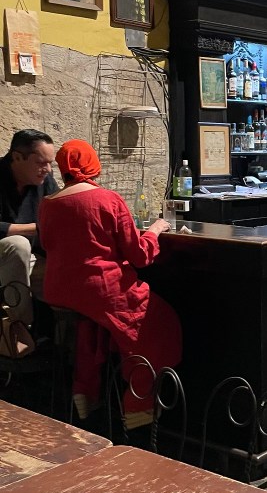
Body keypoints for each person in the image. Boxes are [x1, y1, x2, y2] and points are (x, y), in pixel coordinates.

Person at [38, 140, 181, 424]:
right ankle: (139, 404)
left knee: (94, 325)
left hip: (60, 292)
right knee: (159, 322)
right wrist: (155, 229)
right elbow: (139, 255)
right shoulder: (107, 199)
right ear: (94, 165)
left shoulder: (48, 204)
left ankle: (85, 390)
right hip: (100, 289)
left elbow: (47, 244)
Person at [0, 129, 57, 326]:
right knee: (18, 244)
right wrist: (36, 228)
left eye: (50, 163)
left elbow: (57, 213)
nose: (47, 169)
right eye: (41, 163)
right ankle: (20, 328)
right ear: (17, 157)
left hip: (34, 254)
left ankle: (63, 334)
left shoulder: (44, 179)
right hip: (7, 251)